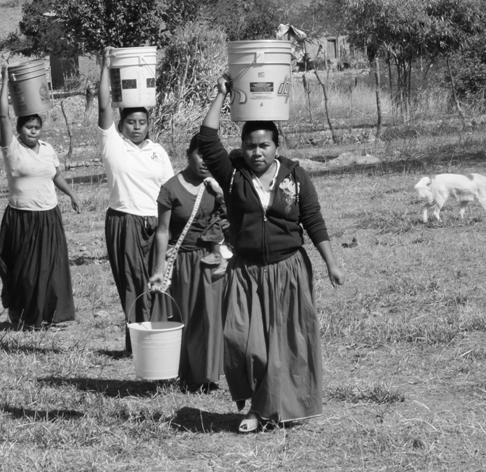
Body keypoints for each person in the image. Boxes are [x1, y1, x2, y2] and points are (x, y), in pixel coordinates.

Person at [197, 76, 345, 432]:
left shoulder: (296, 176)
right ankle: (261, 404)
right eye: (250, 145)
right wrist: (221, 95)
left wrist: (331, 262)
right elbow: (206, 140)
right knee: (243, 342)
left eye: (264, 145)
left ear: (277, 147)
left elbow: (312, 219)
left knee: (283, 345)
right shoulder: (233, 176)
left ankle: (261, 411)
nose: (257, 152)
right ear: (243, 148)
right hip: (246, 271)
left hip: (287, 269)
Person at [98, 46, 175, 352]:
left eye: (142, 122)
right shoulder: (113, 145)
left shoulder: (158, 152)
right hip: (125, 220)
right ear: (121, 124)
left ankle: (158, 334)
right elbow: (104, 106)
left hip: (157, 223)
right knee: (132, 282)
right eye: (131, 122)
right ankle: (137, 343)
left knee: (159, 278)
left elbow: (170, 189)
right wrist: (105, 67)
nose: (137, 127)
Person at [0, 68, 82, 329]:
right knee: (25, 272)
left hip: (48, 215)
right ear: (19, 129)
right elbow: (2, 115)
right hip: (21, 217)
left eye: (37, 128)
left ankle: (53, 316)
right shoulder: (12, 149)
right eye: (28, 127)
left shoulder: (48, 150)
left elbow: (55, 176)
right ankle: (23, 316)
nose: (33, 132)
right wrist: (6, 83)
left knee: (52, 269)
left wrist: (72, 194)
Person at [148, 135, 226, 390]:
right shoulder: (170, 188)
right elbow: (162, 231)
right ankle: (189, 376)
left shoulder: (216, 186)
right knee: (189, 318)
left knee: (212, 318)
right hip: (184, 261)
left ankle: (209, 375)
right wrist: (159, 270)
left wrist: (222, 194)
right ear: (188, 153)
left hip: (211, 259)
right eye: (199, 154)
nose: (204, 161)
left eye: (209, 156)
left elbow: (227, 220)